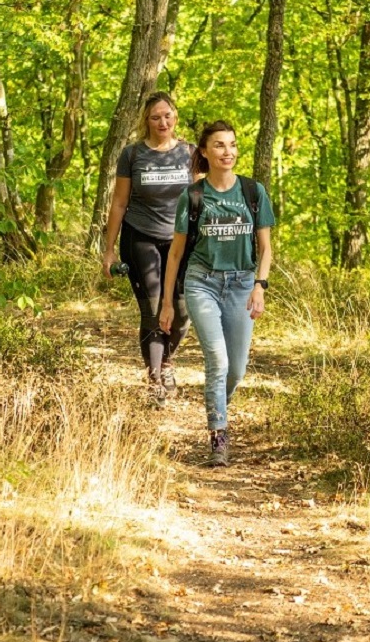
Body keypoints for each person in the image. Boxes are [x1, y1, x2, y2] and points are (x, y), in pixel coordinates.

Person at [160, 121, 275, 466]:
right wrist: (167, 302)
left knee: (236, 371)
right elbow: (176, 254)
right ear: (205, 152)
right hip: (202, 283)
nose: (228, 152)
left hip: (241, 285)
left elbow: (266, 248)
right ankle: (218, 438)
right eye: (220, 145)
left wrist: (260, 286)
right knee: (218, 361)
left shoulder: (253, 192)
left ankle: (215, 403)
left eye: (233, 145)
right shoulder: (193, 196)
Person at [101, 92, 194, 405]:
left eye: (167, 115)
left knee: (181, 312)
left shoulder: (190, 153)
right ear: (146, 121)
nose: (162, 122)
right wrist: (109, 250)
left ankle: (166, 360)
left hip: (180, 242)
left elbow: (202, 201)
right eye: (156, 117)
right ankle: (155, 380)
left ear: (175, 117)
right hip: (139, 236)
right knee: (154, 309)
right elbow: (119, 202)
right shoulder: (132, 154)